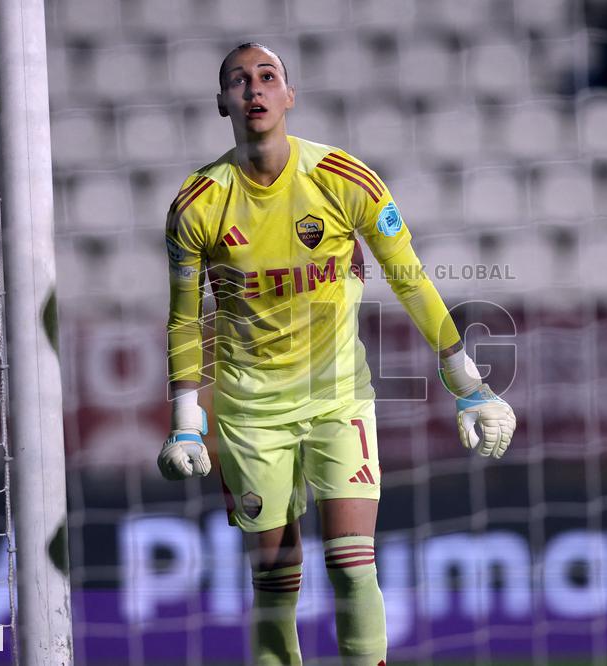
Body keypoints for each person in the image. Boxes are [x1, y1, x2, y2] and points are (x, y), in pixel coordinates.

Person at [157, 42, 516, 666]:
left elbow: (410, 279)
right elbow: (186, 319)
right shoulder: (199, 204)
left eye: (268, 76)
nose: (254, 89)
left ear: (289, 95)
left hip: (338, 397)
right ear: (222, 103)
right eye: (239, 81)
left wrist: (467, 382)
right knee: (275, 581)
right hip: (250, 411)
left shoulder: (343, 178)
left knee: (352, 564)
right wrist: (187, 421)